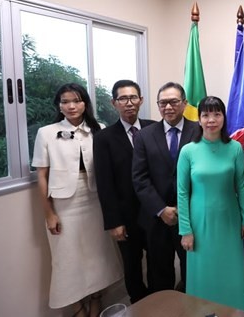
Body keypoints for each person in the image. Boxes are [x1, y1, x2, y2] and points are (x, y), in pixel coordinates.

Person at [32, 83, 122, 317]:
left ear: (85, 103)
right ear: (59, 106)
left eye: (76, 100)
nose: (71, 106)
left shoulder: (98, 129)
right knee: (67, 260)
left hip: (94, 201)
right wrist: (49, 213)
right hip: (63, 205)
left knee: (97, 257)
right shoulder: (46, 132)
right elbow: (42, 176)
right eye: (65, 101)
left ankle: (95, 301)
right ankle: (76, 308)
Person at [177, 96, 244, 310]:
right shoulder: (188, 151)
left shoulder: (235, 149)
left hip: (229, 220)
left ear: (223, 117)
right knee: (203, 273)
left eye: (217, 114)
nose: (211, 119)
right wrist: (185, 229)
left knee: (230, 272)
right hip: (199, 223)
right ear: (199, 119)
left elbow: (241, 186)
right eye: (206, 115)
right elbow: (182, 193)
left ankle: (234, 312)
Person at [132, 82, 201, 293]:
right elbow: (139, 178)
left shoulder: (199, 131)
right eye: (163, 103)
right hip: (157, 217)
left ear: (184, 103)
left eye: (173, 102)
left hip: (192, 215)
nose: (168, 107)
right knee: (159, 274)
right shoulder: (144, 135)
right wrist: (162, 209)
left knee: (194, 270)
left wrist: (186, 208)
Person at [93, 80, 153, 304]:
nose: (129, 103)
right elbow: (104, 182)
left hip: (155, 210)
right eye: (123, 99)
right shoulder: (103, 138)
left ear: (141, 100)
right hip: (125, 216)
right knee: (132, 264)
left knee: (159, 261)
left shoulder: (153, 127)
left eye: (133, 97)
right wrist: (113, 222)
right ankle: (139, 303)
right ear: (114, 103)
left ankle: (160, 301)